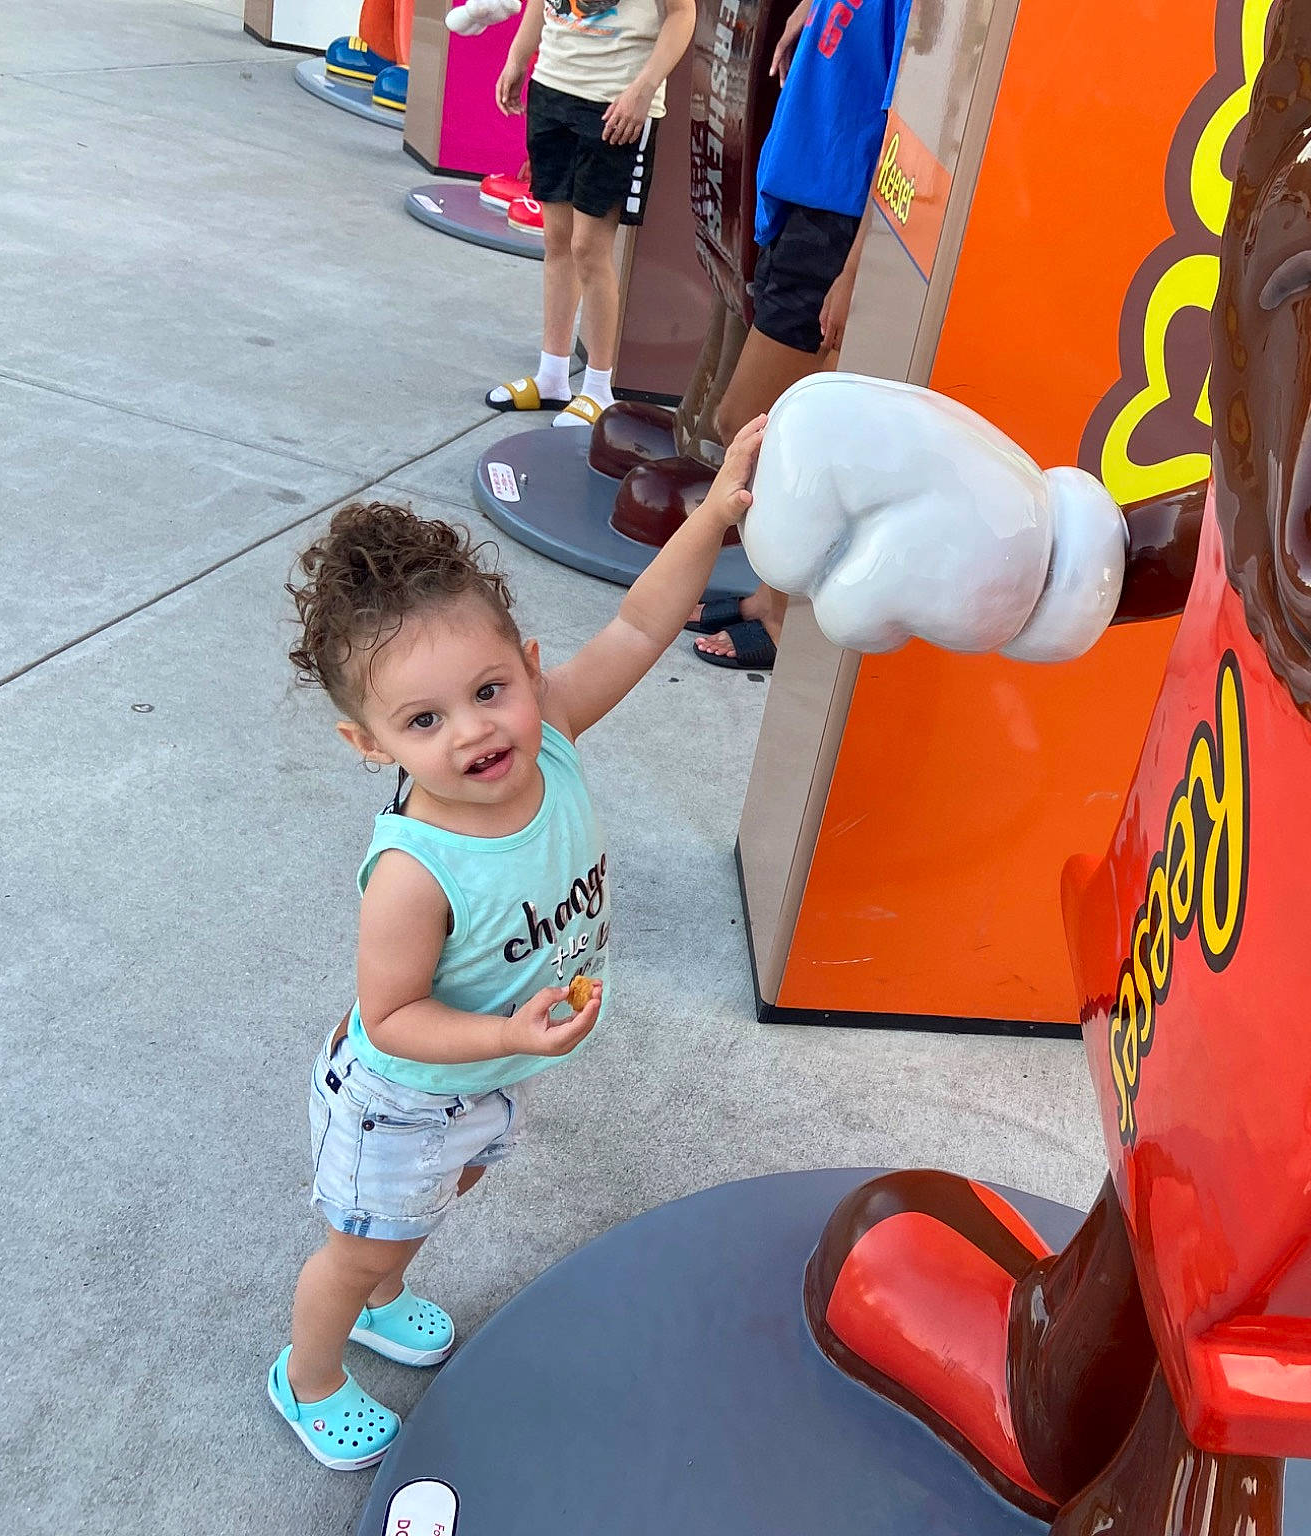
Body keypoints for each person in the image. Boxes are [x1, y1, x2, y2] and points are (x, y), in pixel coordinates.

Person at [265, 421, 764, 1470]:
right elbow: (389, 1017)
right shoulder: (414, 873)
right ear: (368, 745)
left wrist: (716, 513)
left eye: (489, 691)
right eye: (423, 721)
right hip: (401, 1097)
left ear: (530, 671)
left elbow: (641, 623)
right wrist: (503, 1036)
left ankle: (386, 1292)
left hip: (486, 1077)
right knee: (355, 1248)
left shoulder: (557, 733)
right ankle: (308, 1376)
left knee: (439, 1202)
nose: (473, 732)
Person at [687, 0, 911, 671]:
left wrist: (855, 268)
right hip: (808, 209)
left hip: (834, 224)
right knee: (772, 429)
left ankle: (785, 617)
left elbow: (908, 124)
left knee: (753, 427)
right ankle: (769, 597)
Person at [487, 2, 696, 428]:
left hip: (616, 101)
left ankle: (599, 388)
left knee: (589, 248)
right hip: (552, 85)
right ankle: (551, 376)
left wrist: (644, 88)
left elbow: (682, 15)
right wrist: (517, 57)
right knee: (557, 240)